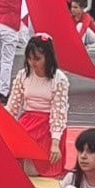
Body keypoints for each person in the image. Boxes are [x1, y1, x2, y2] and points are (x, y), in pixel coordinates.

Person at [5, 33, 71, 179]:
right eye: (29, 58)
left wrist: (55, 143)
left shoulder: (59, 79)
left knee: (31, 168)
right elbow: (13, 107)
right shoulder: (23, 75)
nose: (32, 63)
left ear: (48, 57)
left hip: (48, 128)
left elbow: (58, 113)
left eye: (37, 59)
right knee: (8, 158)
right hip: (27, 123)